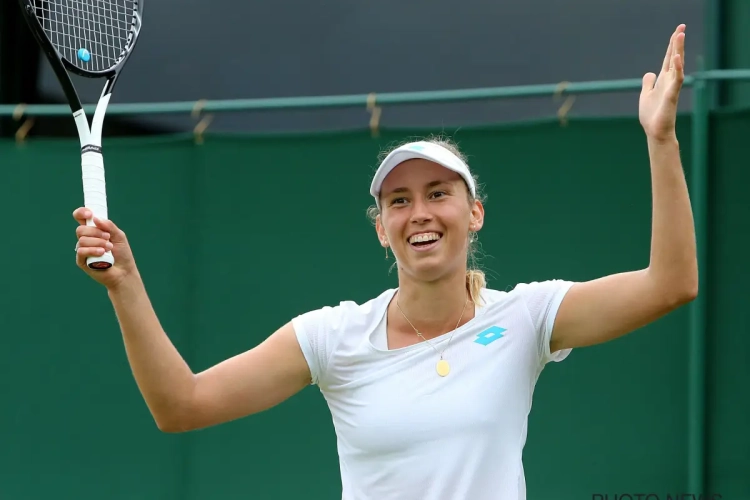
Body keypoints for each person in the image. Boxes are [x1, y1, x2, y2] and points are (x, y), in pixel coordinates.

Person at [72, 24, 696, 500]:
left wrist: (661, 140)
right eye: (400, 201)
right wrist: (124, 284)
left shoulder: (527, 318)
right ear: (381, 229)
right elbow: (181, 405)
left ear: (474, 212)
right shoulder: (330, 337)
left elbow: (671, 284)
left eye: (438, 194)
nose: (419, 213)